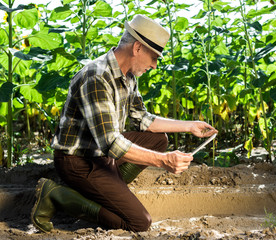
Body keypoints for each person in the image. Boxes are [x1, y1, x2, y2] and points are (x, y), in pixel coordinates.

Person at [31, 14, 217, 233]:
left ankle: (103, 190)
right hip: (79, 161)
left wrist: (189, 125)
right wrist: (163, 161)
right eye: (154, 57)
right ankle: (56, 195)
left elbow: (143, 119)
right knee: (138, 222)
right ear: (137, 48)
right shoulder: (96, 77)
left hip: (101, 155)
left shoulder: (128, 75)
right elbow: (111, 143)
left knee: (158, 140)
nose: (155, 66)